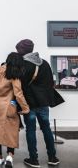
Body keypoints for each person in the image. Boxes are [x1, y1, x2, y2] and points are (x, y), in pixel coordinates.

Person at [0, 52, 30, 168]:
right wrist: (25, 108)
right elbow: (18, 94)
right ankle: (10, 156)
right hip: (8, 108)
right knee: (11, 132)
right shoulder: (14, 74)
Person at [15, 39, 61, 167]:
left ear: (21, 50)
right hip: (43, 103)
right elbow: (50, 82)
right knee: (46, 129)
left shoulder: (23, 64)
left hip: (29, 104)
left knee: (31, 130)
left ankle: (33, 159)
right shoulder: (45, 63)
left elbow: (20, 86)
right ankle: (53, 158)